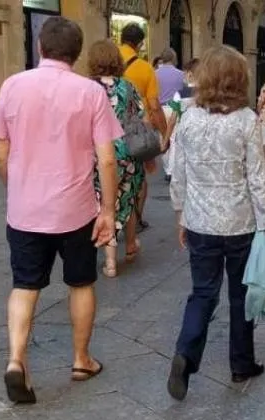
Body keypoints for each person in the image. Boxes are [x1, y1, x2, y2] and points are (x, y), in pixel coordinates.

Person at [0, 17, 121, 404]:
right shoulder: (90, 93)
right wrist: (108, 210)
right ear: (76, 55)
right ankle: (81, 359)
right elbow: (107, 158)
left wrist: (15, 185)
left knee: (24, 284)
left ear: (41, 48)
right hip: (76, 208)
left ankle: (16, 360)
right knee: (81, 282)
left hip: (26, 210)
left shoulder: (13, 86)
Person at [167, 46, 265, 401]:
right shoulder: (246, 120)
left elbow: (178, 174)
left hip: (200, 221)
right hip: (240, 222)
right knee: (240, 294)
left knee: (202, 292)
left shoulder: (189, 119)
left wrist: (180, 214)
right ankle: (241, 362)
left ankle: (186, 352)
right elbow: (258, 178)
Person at [88, 39, 146, 278]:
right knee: (128, 197)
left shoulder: (87, 87)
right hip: (128, 152)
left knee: (105, 203)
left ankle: (110, 262)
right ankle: (130, 245)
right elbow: (139, 116)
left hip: (97, 153)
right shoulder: (128, 86)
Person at [119, 24, 166, 233]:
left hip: (107, 129)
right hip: (136, 132)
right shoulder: (145, 68)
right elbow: (154, 106)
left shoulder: (107, 61)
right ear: (139, 43)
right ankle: (135, 219)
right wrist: (164, 133)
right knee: (138, 177)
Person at [155, 47, 186, 183]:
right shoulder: (181, 74)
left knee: (162, 137)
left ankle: (167, 166)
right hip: (175, 108)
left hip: (159, 109)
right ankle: (171, 170)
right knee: (174, 138)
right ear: (174, 58)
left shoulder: (154, 74)